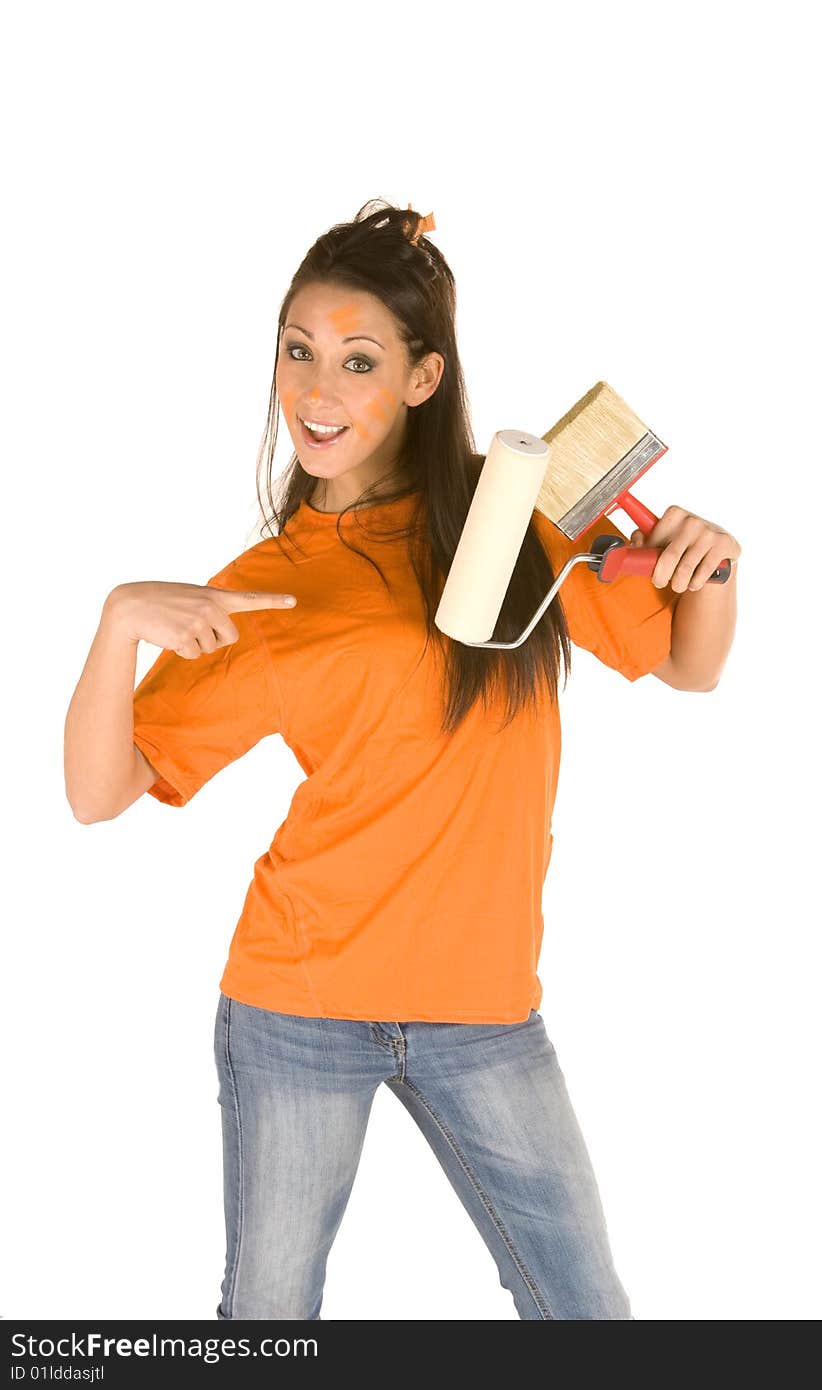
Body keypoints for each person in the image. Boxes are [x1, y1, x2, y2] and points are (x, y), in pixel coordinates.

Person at [64, 199, 740, 1320]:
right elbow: (100, 791)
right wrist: (116, 622)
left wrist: (711, 571)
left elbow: (687, 666)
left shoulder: (513, 514)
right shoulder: (271, 582)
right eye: (298, 353)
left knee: (588, 1314)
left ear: (422, 378)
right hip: (301, 1000)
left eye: (358, 360)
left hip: (484, 1010)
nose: (316, 392)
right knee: (268, 1321)